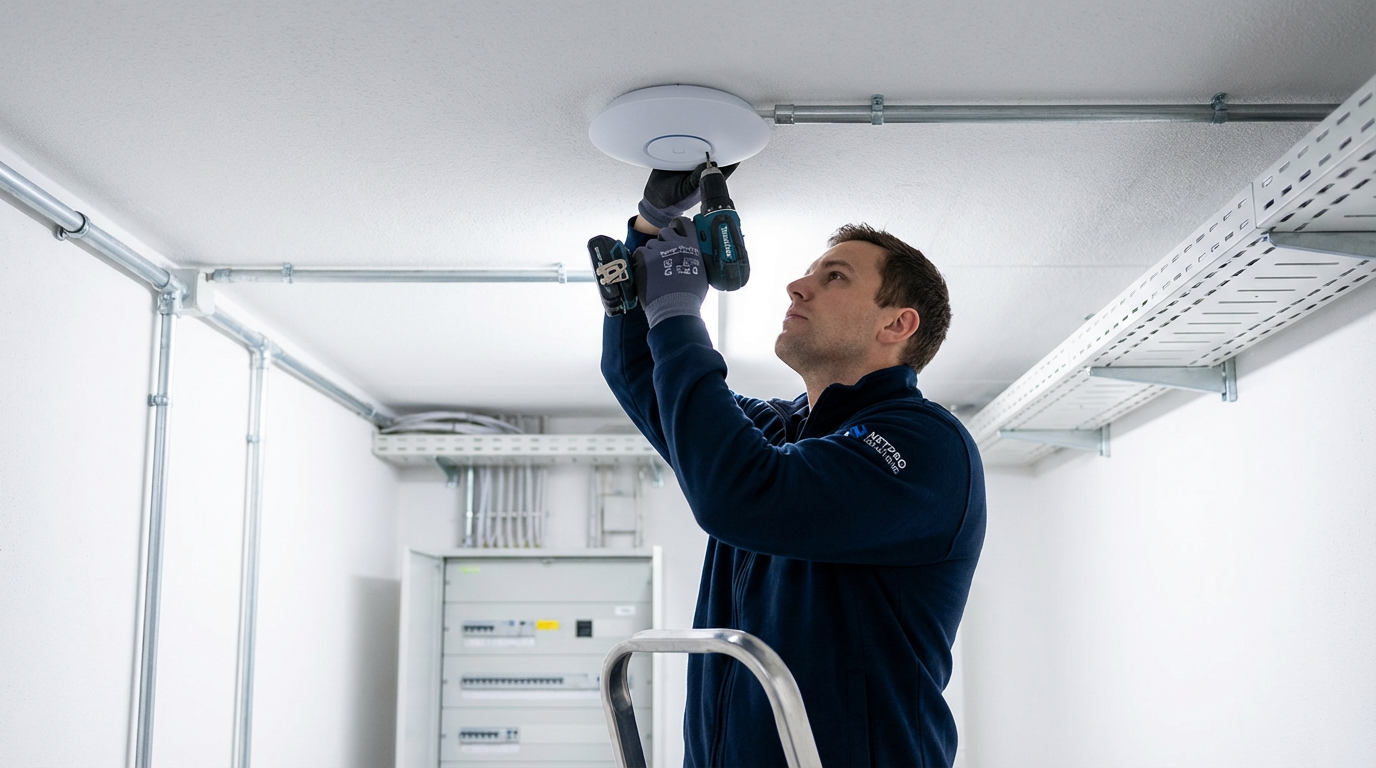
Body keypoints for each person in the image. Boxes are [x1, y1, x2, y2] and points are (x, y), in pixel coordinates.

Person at [600, 164, 986, 767]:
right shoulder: (784, 433)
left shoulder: (925, 445)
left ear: (897, 323)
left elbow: (743, 496)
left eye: (833, 277)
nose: (796, 288)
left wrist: (681, 315)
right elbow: (642, 376)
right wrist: (650, 229)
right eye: (808, 274)